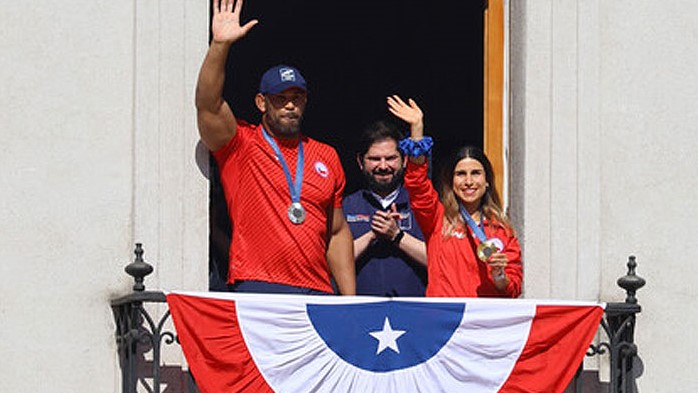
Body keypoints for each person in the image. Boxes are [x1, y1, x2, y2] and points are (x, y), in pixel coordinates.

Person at [195, 0, 355, 295]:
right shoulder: (241, 143)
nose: (290, 105)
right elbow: (208, 105)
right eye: (280, 98)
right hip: (259, 284)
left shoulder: (326, 155)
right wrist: (220, 46)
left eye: (297, 97)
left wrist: (349, 301)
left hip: (316, 290)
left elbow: (336, 231)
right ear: (262, 102)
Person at [387, 95, 523, 298]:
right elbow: (417, 184)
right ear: (451, 182)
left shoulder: (501, 229)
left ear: (487, 181)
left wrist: (499, 276)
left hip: (483, 322)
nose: (468, 181)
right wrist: (417, 130)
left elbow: (513, 289)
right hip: (444, 320)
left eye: (475, 173)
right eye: (461, 174)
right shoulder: (437, 219)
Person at [343, 121, 428, 297]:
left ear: (404, 160)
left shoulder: (422, 205)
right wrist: (372, 235)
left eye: (390, 158)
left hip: (414, 314)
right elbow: (332, 264)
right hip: (360, 313)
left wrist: (397, 236)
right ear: (360, 161)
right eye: (374, 159)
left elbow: (440, 262)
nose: (383, 166)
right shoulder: (345, 206)